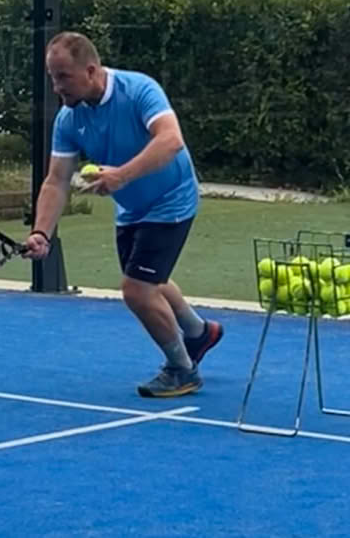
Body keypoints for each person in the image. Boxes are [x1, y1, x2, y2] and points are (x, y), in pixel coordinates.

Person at [23, 31, 223, 398]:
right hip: (131, 209)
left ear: (91, 70)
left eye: (63, 76)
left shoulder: (139, 90)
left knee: (137, 289)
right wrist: (41, 233)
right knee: (150, 279)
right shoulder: (69, 119)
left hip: (172, 198)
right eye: (52, 77)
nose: (56, 87)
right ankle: (199, 332)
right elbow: (57, 180)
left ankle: (182, 369)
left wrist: (121, 176)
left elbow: (171, 140)